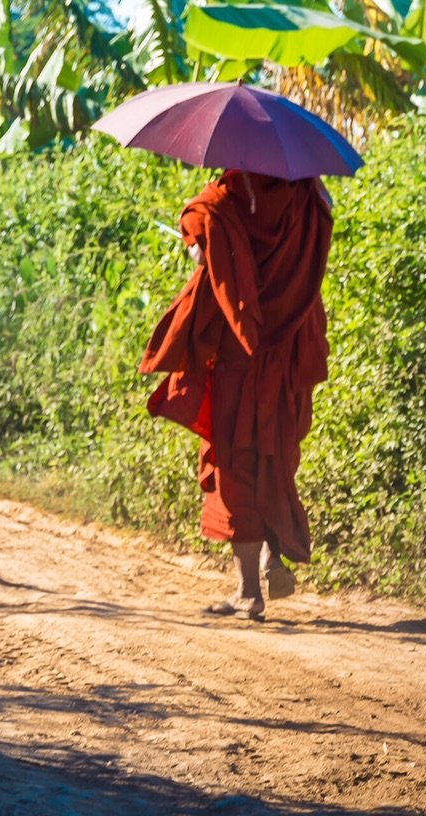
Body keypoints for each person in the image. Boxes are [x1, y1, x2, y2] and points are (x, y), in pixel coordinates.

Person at [139, 168, 332, 620]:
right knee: (275, 453)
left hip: (238, 350)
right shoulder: (309, 195)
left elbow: (205, 253)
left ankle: (248, 590)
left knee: (234, 460)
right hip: (287, 348)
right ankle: (273, 556)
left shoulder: (221, 198)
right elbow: (312, 256)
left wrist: (201, 250)